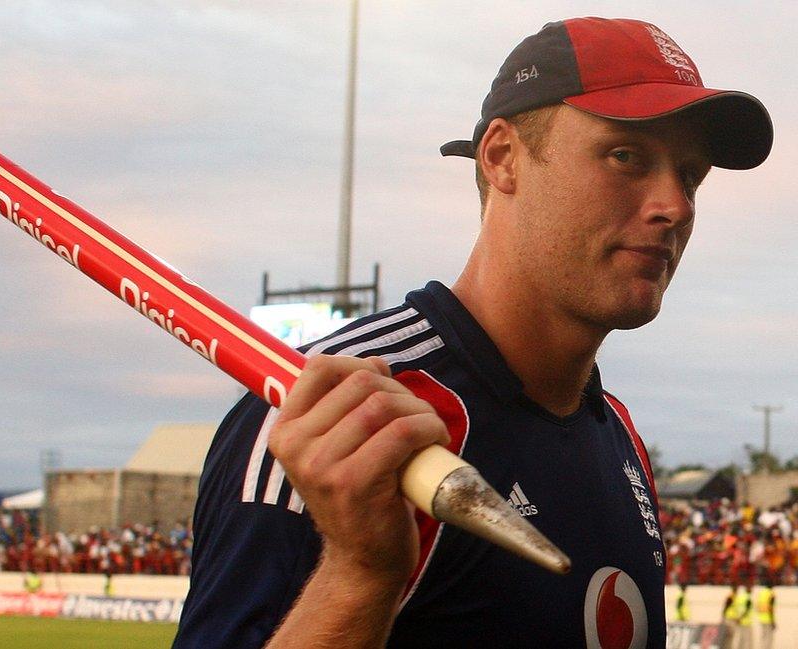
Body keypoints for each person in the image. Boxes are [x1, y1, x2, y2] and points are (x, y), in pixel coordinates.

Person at [174, 17, 772, 648]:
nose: (674, 205)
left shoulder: (620, 435)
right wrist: (358, 577)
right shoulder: (331, 413)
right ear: (503, 158)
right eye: (625, 156)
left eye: (690, 175)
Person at [756, 580, 776, 649]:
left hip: (761, 618)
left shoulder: (761, 593)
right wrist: (773, 621)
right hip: (768, 619)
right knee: (769, 638)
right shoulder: (771, 594)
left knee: (763, 636)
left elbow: (757, 606)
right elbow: (771, 609)